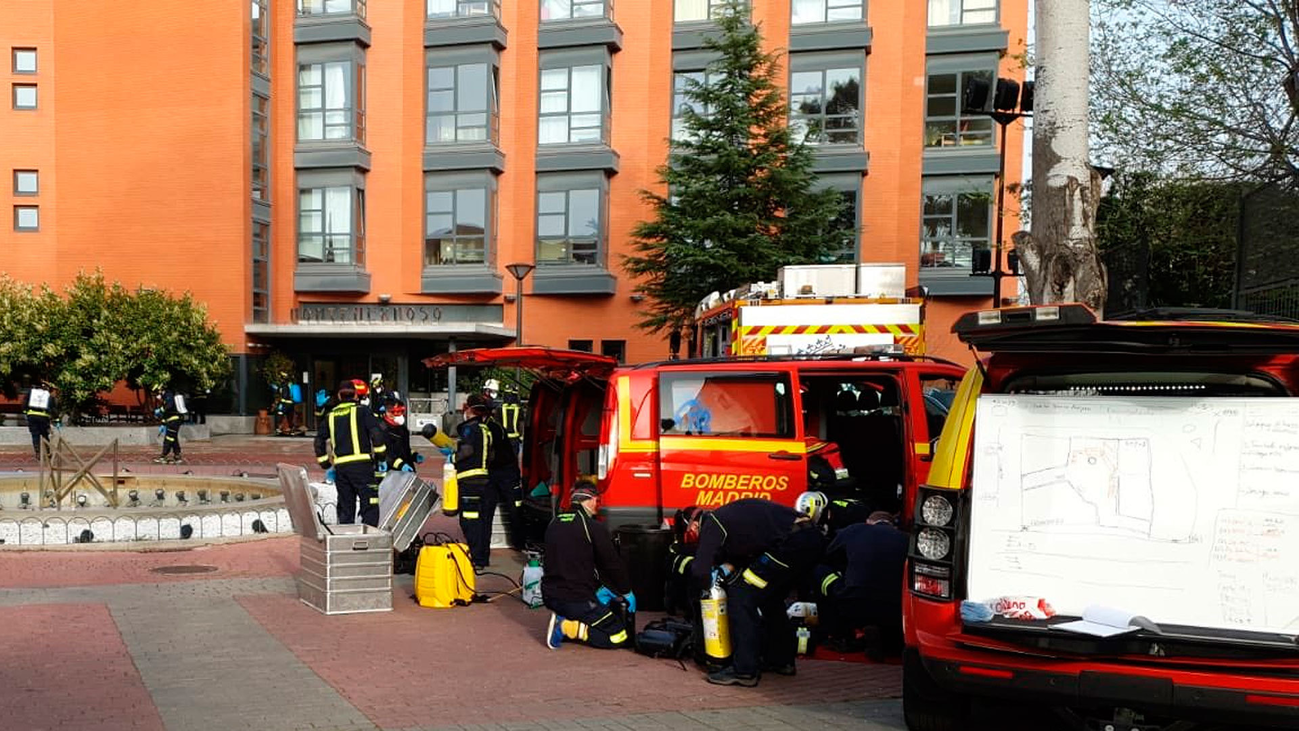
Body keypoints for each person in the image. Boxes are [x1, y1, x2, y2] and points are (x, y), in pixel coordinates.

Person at [687, 493, 828, 687]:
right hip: (810, 539)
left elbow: (700, 570)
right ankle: (781, 660)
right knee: (770, 599)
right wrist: (726, 567)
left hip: (791, 545)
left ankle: (744, 670)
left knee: (741, 596)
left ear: (695, 525)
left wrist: (703, 592)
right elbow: (750, 546)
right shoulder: (732, 517)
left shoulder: (712, 522)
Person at [542, 479, 636, 650]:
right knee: (618, 635)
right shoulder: (592, 527)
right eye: (597, 501)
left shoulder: (553, 523)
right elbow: (611, 564)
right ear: (592, 499)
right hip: (576, 599)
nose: (597, 506)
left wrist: (599, 588)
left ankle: (567, 617)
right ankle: (567, 628)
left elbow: (566, 561)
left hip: (550, 596)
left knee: (591, 610)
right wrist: (626, 590)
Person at [813, 510, 909, 657]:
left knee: (820, 570)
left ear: (868, 522)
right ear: (893, 527)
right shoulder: (906, 539)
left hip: (854, 603)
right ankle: (887, 640)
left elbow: (828, 555)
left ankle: (840, 636)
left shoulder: (855, 529)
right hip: (895, 609)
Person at [315, 379, 388, 525]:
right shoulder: (362, 411)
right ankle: (369, 538)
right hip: (362, 467)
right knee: (369, 503)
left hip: (341, 469)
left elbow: (319, 441)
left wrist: (324, 463)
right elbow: (377, 434)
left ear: (339, 396)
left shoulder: (331, 415)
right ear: (355, 395)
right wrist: (381, 456)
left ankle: (346, 539)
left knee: (346, 506)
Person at [455, 393, 495, 567]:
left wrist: (453, 458)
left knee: (469, 520)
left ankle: (476, 558)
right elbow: (491, 455)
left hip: (469, 481)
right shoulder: (487, 429)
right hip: (485, 481)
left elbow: (467, 450)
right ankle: (482, 557)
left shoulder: (469, 428)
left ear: (469, 409)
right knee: (484, 522)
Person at [484, 400, 524, 549]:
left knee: (491, 511)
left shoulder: (490, 428)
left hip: (502, 471)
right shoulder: (495, 425)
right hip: (505, 469)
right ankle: (518, 544)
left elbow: (490, 452)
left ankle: (484, 551)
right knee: (513, 509)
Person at [484, 378, 523, 453]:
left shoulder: (499, 408)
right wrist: (521, 437)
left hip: (503, 438)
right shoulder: (519, 409)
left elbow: (497, 423)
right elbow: (521, 423)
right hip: (515, 439)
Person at [23, 381, 56, 460]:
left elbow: (24, 403)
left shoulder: (31, 392)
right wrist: (57, 419)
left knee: (35, 435)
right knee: (44, 434)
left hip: (31, 416)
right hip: (43, 417)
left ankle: (38, 453)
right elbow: (52, 407)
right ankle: (47, 452)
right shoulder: (47, 394)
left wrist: (26, 413)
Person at [153, 385, 187, 465]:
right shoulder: (168, 395)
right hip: (173, 420)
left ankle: (163, 456)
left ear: (161, 390)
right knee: (173, 438)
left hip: (174, 420)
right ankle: (177, 455)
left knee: (168, 438)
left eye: (157, 392)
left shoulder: (168, 395)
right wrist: (163, 422)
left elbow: (168, 407)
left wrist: (160, 411)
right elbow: (166, 412)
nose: (157, 395)